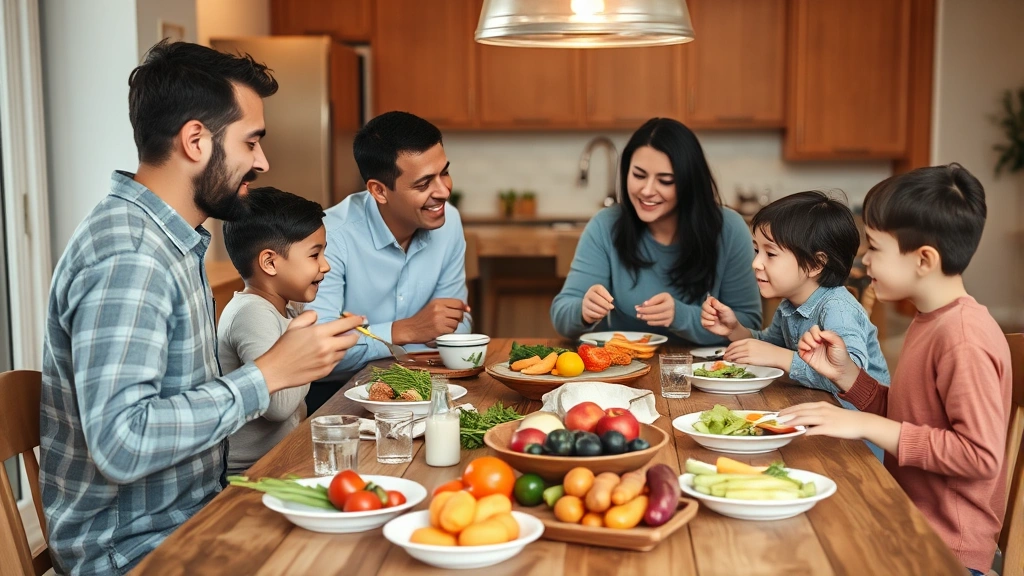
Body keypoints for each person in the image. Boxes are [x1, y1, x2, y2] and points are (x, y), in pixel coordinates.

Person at [39, 41, 365, 575]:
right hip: (135, 550)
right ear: (196, 140)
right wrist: (268, 374)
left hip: (193, 511)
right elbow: (121, 443)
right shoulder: (131, 257)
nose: (262, 162)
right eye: (251, 141)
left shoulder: (167, 240)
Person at [780, 164, 1011, 576]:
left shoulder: (963, 337)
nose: (864, 260)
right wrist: (847, 375)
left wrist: (864, 426)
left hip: (944, 550)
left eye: (875, 247)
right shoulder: (932, 320)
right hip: (902, 518)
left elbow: (978, 456)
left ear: (924, 259)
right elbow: (912, 414)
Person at [306, 111, 471, 411]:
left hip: (424, 387)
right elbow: (320, 348)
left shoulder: (449, 224)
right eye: (424, 184)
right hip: (338, 396)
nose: (444, 191)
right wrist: (405, 330)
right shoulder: (332, 235)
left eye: (444, 172)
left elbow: (456, 325)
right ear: (379, 191)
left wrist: (439, 326)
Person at [550, 117, 761, 344]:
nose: (647, 190)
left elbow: (748, 325)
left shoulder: (729, 229)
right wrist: (583, 310)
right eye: (639, 175)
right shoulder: (605, 225)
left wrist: (682, 316)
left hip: (706, 370)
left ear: (689, 182)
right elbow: (561, 316)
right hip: (625, 366)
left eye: (666, 180)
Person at [700, 190, 890, 402]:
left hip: (855, 429)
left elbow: (850, 374)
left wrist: (783, 358)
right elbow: (769, 346)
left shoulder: (837, 308)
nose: (756, 263)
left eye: (770, 254)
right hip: (813, 408)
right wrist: (735, 330)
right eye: (756, 251)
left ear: (815, 264)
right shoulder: (790, 305)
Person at [219, 187, 330, 474]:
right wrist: (309, 350)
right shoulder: (252, 313)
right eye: (314, 255)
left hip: (283, 459)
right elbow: (277, 407)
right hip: (251, 475)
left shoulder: (287, 309)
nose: (325, 266)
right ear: (270, 262)